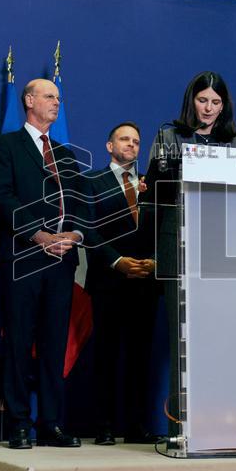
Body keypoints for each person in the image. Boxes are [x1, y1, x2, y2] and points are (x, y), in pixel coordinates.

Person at [144, 71, 236, 443]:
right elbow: (154, 191)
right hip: (180, 240)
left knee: (221, 337)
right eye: (203, 100)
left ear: (225, 106)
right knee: (182, 339)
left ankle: (224, 426)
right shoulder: (169, 136)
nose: (208, 109)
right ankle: (180, 428)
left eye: (216, 102)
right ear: (192, 101)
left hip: (224, 246)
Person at [0, 78, 88, 449]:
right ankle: (17, 422)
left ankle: (51, 422)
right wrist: (40, 236)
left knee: (53, 343)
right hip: (24, 257)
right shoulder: (6, 145)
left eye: (59, 97)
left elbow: (80, 203)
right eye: (49, 96)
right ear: (29, 101)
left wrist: (73, 236)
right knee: (18, 341)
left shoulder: (66, 153)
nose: (56, 103)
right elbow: (4, 198)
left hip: (62, 261)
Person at [82, 122, 159, 445]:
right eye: (124, 139)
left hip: (145, 282)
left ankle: (136, 425)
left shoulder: (151, 186)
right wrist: (117, 261)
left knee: (141, 357)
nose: (131, 145)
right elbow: (88, 230)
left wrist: (156, 260)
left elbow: (164, 226)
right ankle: (103, 425)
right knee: (106, 355)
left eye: (136, 142)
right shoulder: (91, 182)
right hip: (108, 281)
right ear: (109, 146)